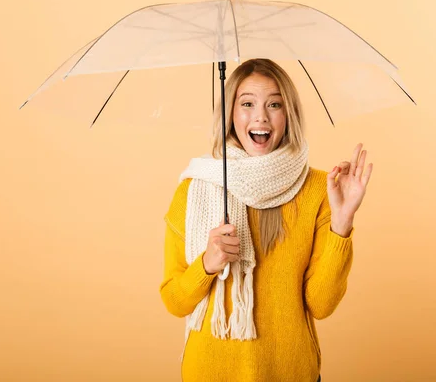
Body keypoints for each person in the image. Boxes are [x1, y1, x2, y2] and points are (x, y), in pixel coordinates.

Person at [159, 58, 373, 381]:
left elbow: (321, 305)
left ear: (289, 115)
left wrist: (342, 222)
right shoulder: (193, 190)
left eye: (274, 104)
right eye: (247, 103)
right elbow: (174, 300)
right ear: (230, 113)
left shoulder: (317, 190)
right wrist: (206, 265)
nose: (260, 116)